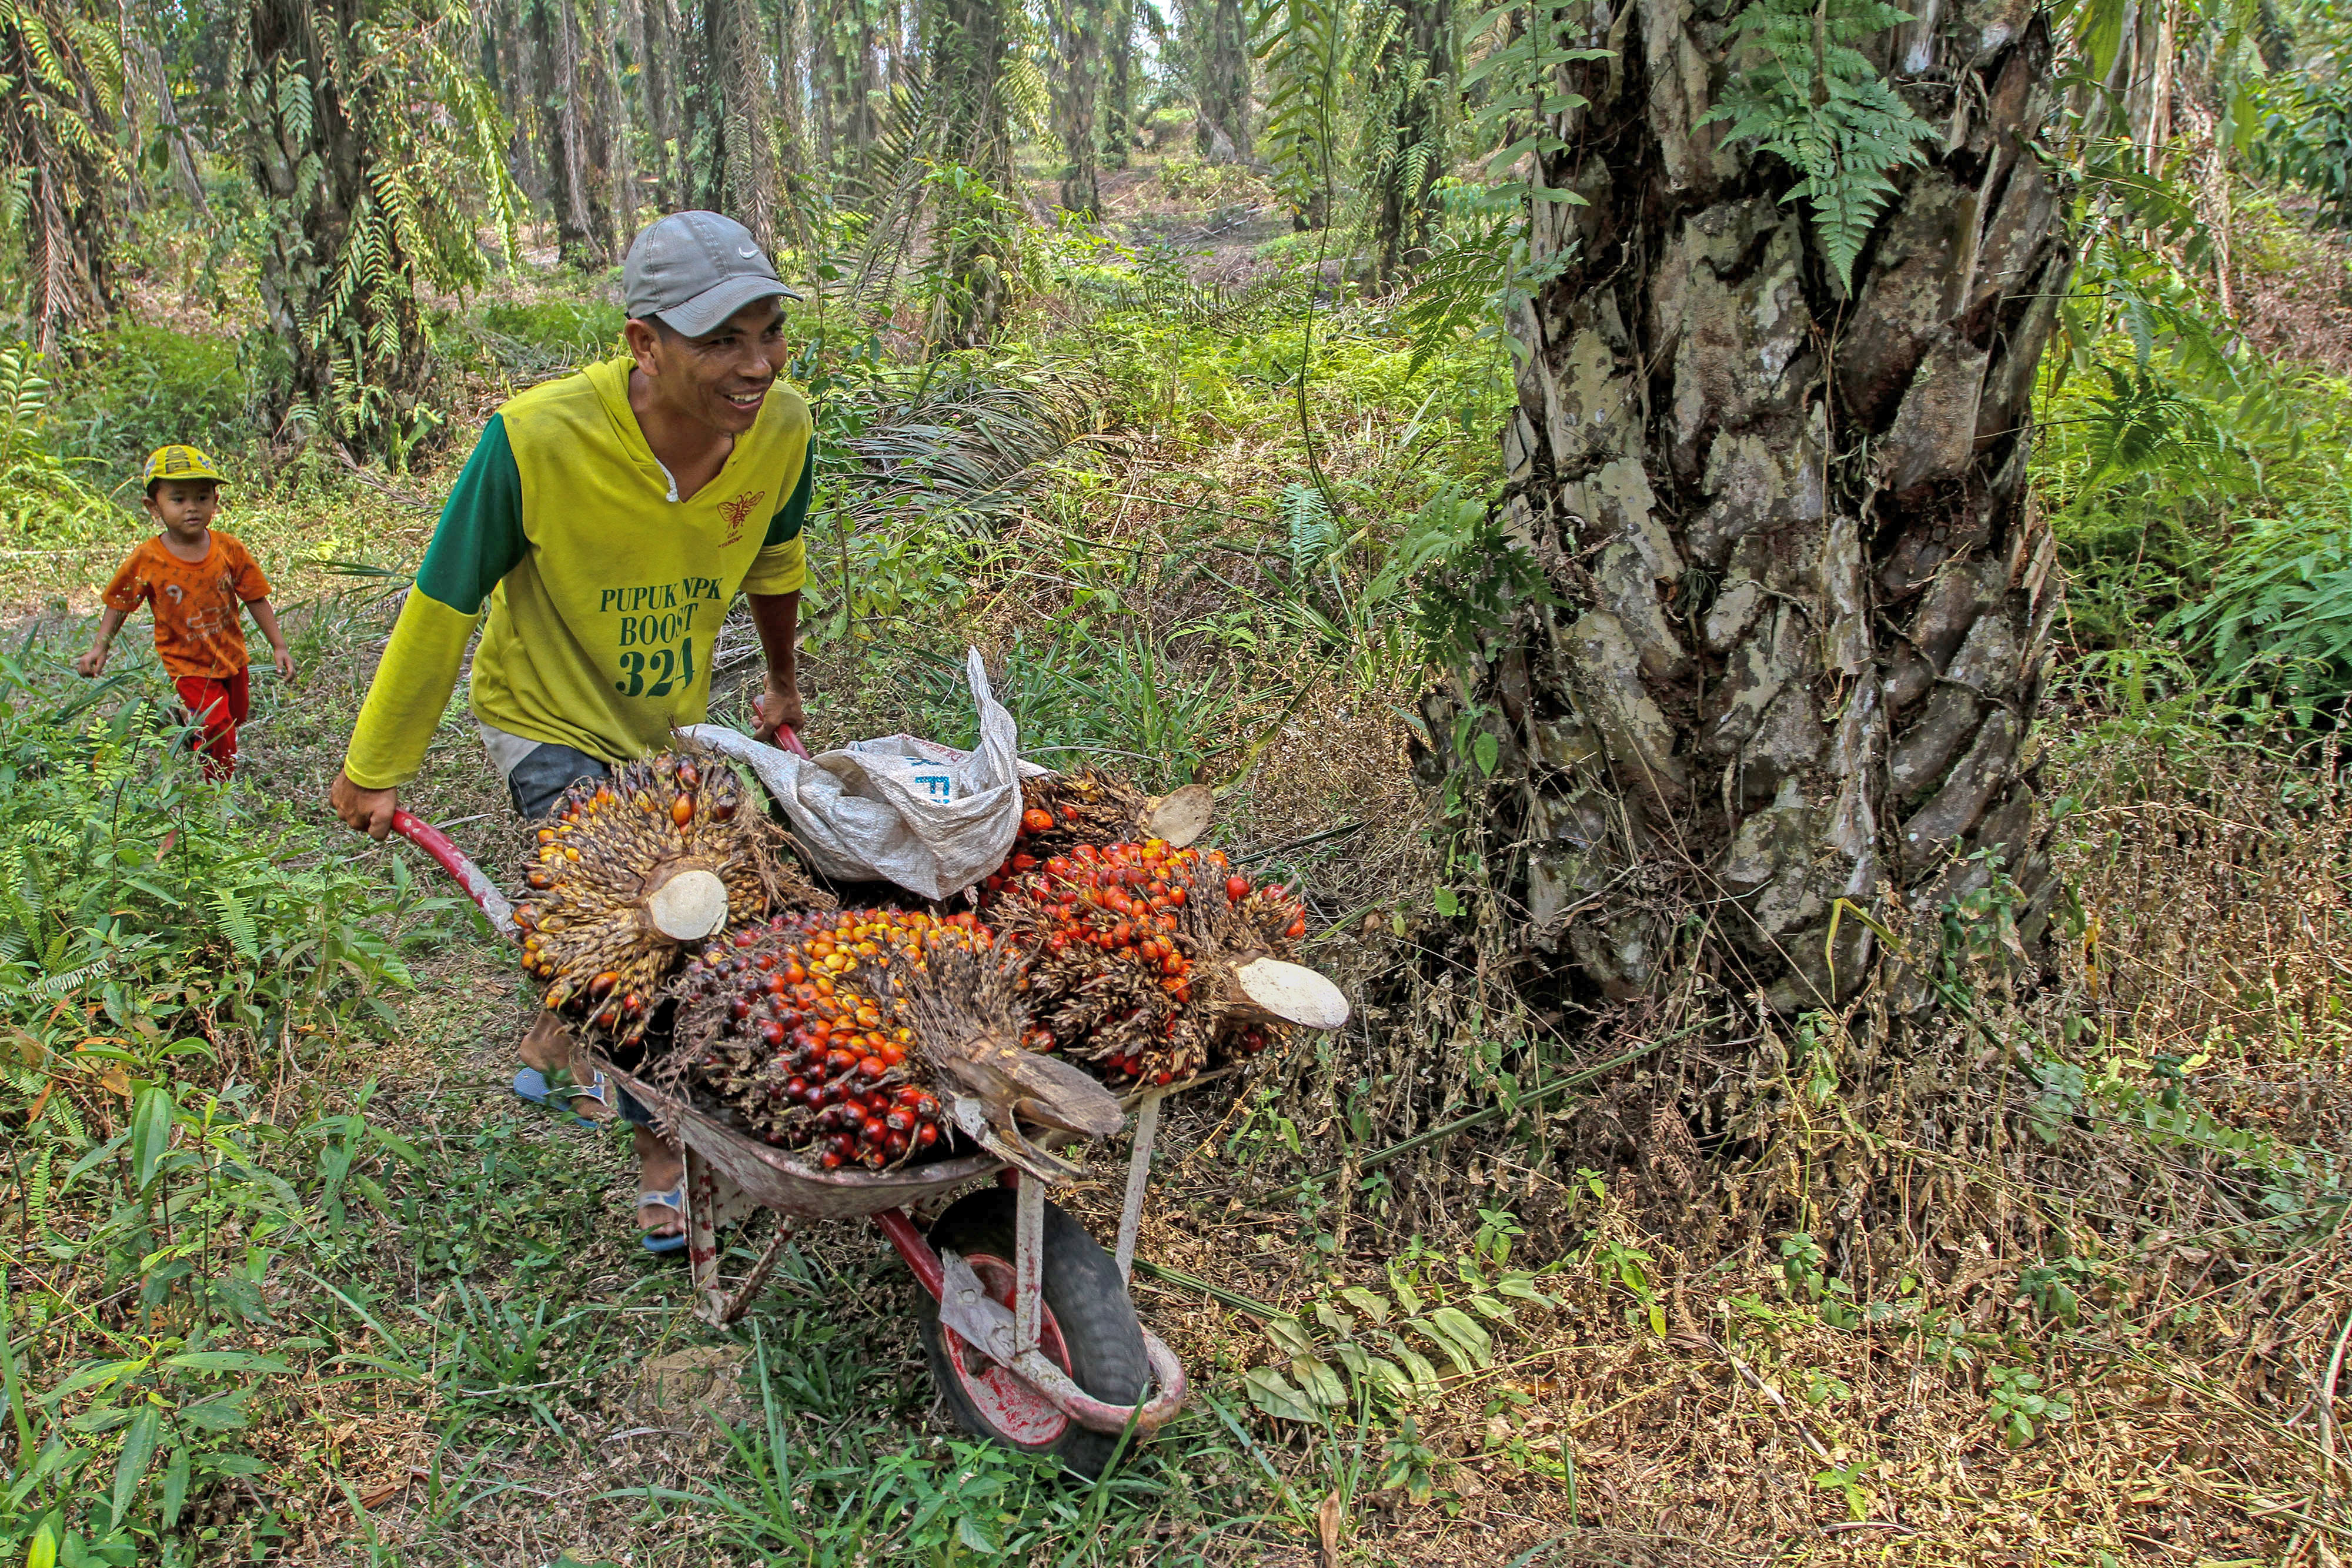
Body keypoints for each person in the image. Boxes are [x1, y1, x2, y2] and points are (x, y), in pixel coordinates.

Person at [328, 210, 814, 1253]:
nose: (756, 365)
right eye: (722, 340)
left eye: (769, 332)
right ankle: (661, 1155)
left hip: (662, 722)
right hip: (542, 711)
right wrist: (376, 764)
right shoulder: (535, 439)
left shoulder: (785, 430)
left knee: (705, 899)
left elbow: (776, 562)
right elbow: (445, 600)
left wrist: (780, 683)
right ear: (643, 343)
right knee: (650, 930)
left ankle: (555, 1032)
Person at [75, 445, 296, 778]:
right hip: (186, 661)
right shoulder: (148, 559)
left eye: (202, 498)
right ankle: (216, 795)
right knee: (218, 726)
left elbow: (255, 597)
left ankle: (187, 724)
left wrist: (278, 645)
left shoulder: (229, 549)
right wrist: (100, 647)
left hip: (231, 654)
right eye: (178, 499)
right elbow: (121, 602)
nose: (192, 508)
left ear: (215, 502)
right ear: (154, 507)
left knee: (236, 715)